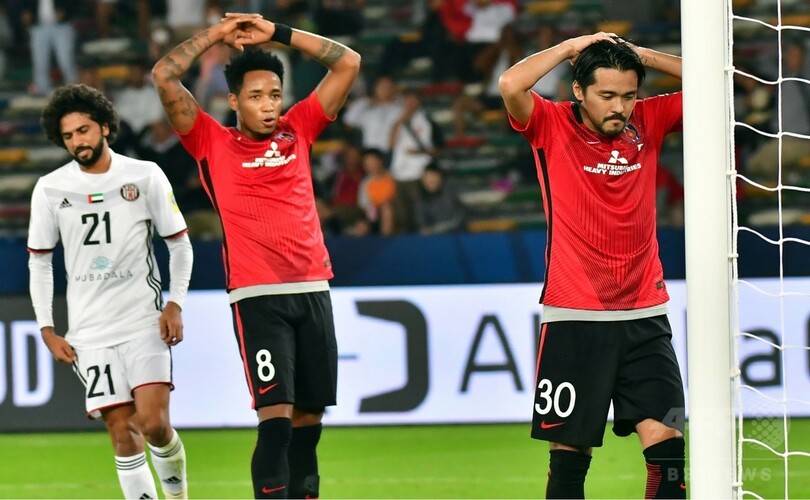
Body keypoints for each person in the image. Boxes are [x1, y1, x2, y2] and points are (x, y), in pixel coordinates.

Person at [151, 13, 361, 498]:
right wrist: (217, 35)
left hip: (313, 287)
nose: (268, 105)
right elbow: (164, 75)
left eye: (274, 95)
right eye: (255, 96)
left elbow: (348, 63)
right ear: (233, 101)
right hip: (258, 296)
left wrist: (278, 33)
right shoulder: (210, 141)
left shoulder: (298, 129)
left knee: (309, 421)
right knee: (276, 421)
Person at [499, 33, 686, 497]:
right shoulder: (550, 123)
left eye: (628, 95)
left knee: (670, 456)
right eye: (607, 95)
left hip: (646, 315)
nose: (619, 107)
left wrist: (643, 56)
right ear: (579, 91)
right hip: (575, 316)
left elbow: (721, 86)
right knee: (569, 463)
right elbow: (510, 84)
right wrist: (569, 49)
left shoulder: (649, 119)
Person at [28, 84, 193, 499]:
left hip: (143, 322)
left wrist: (175, 303)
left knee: (154, 425)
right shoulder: (50, 188)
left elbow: (179, 244)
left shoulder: (144, 175)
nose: (77, 142)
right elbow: (39, 261)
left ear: (104, 126)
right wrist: (47, 328)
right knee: (123, 432)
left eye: (83, 130)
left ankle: (178, 496)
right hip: (90, 333)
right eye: (68, 136)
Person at [19, 0, 78, 95]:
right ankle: (42, 89)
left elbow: (74, 3)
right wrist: (26, 11)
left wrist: (65, 11)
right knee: (40, 62)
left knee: (66, 60)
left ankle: (74, 89)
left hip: (62, 26)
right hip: (38, 26)